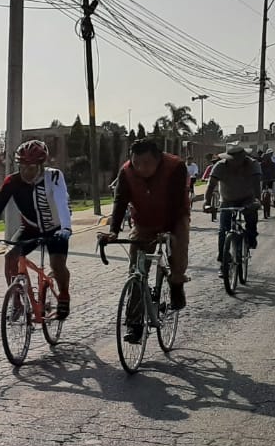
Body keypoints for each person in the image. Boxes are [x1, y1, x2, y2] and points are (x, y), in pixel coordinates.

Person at [98, 138, 191, 344]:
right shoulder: (126, 172)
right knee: (136, 271)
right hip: (143, 222)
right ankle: (134, 325)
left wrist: (167, 231)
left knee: (179, 247)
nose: (141, 168)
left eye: (147, 163)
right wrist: (113, 231)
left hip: (174, 218)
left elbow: (176, 203)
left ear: (159, 159)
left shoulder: (175, 167)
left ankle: (176, 283)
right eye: (136, 163)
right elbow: (120, 201)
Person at [0, 139, 73, 318]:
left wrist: (66, 229)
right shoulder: (12, 182)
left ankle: (63, 295)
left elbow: (62, 202)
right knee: (10, 256)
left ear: (41, 166)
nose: (26, 172)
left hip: (55, 229)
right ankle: (16, 302)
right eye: (22, 167)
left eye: (30, 168)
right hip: (30, 228)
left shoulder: (53, 177)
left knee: (57, 264)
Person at [204, 143, 262, 264]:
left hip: (248, 198)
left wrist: (257, 200)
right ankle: (222, 259)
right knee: (223, 230)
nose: (236, 163)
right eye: (233, 159)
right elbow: (210, 186)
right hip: (227, 200)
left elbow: (257, 184)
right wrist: (207, 203)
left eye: (239, 159)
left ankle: (250, 237)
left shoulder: (252, 164)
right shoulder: (219, 166)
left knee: (251, 218)